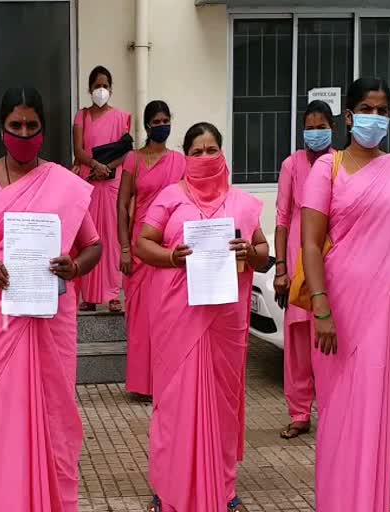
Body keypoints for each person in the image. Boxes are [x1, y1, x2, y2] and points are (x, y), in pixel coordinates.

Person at [0, 87, 102, 512]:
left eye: (33, 125)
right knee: (5, 417)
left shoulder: (66, 184)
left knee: (55, 414)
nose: (24, 133)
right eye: (16, 125)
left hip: (52, 316)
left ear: (44, 129)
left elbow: (94, 245)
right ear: (1, 128)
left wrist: (76, 267)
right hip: (0, 316)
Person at [302, 78, 390, 512]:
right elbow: (310, 242)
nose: (374, 116)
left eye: (382, 110)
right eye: (366, 108)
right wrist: (320, 306)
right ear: (350, 116)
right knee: (340, 419)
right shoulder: (329, 168)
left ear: (389, 117)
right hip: (338, 312)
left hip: (389, 312)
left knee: (379, 416)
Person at [136, 123, 269, 512]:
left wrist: (250, 250)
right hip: (179, 319)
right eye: (197, 151)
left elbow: (262, 250)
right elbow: (143, 243)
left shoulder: (243, 202)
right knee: (175, 404)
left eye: (212, 149)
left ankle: (223, 488)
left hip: (225, 322)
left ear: (222, 152)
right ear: (186, 156)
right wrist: (172, 257)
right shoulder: (169, 197)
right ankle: (167, 488)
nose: (205, 157)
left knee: (223, 405)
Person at [275, 100, 336, 439]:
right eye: (309, 127)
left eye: (321, 126)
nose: (315, 132)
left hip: (332, 261)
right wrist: (281, 267)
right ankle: (299, 412)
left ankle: (331, 409)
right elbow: (282, 219)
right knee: (298, 343)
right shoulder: (292, 165)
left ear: (333, 127)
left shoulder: (341, 163)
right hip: (298, 264)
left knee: (327, 342)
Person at [116, 100, 185, 397]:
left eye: (165, 120)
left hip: (169, 249)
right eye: (155, 121)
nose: (161, 125)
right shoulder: (133, 159)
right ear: (146, 126)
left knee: (166, 316)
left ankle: (165, 380)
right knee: (140, 319)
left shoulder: (181, 161)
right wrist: (124, 249)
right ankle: (142, 385)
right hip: (141, 247)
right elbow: (122, 205)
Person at [74, 65, 131, 313]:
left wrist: (108, 168)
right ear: (89, 89)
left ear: (111, 88)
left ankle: (112, 295)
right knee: (88, 238)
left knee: (112, 238)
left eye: (105, 85)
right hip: (88, 182)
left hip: (111, 183)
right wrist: (95, 165)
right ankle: (88, 295)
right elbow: (78, 151)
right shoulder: (82, 116)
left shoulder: (122, 117)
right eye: (97, 85)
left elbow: (126, 150)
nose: (101, 90)